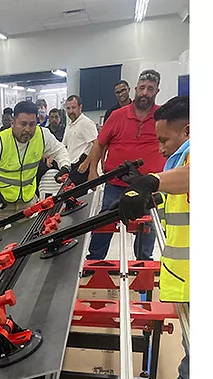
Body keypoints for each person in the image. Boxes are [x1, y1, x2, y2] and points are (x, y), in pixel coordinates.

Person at [80, 69, 166, 264]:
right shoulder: (117, 116)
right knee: (104, 223)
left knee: (148, 228)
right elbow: (99, 143)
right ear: (135, 89)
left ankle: (143, 262)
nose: (145, 92)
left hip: (148, 185)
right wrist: (93, 171)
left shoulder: (162, 117)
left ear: (157, 91)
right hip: (116, 183)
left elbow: (171, 144)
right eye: (142, 88)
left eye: (150, 89)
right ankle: (94, 261)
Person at [146, 95, 190, 379]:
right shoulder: (182, 158)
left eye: (165, 140)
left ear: (187, 130)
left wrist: (152, 182)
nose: (160, 148)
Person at [0, 100, 70, 214]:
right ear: (13, 122)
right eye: (23, 124)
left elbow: (59, 150)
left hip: (27, 201)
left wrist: (64, 166)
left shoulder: (42, 135)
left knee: (31, 231)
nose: (27, 129)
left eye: (32, 124)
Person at [62, 95, 98, 185]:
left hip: (82, 165)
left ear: (80, 107)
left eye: (73, 108)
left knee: (77, 196)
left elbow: (97, 144)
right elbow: (63, 145)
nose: (71, 111)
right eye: (68, 108)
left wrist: (86, 163)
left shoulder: (86, 123)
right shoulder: (69, 125)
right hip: (72, 165)